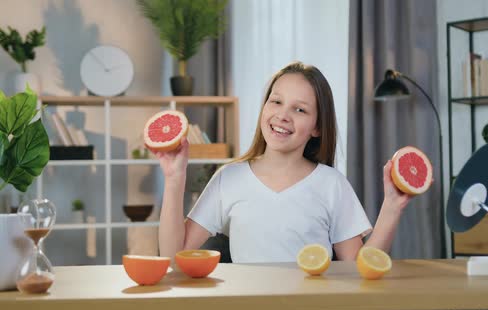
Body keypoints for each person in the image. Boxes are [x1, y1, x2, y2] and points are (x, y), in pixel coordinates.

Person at [155, 61, 412, 263]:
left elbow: (359, 266)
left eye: (300, 109)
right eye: (276, 101)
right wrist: (174, 178)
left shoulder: (331, 183)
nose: (283, 115)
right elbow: (173, 256)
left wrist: (392, 207)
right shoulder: (229, 178)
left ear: (317, 127)